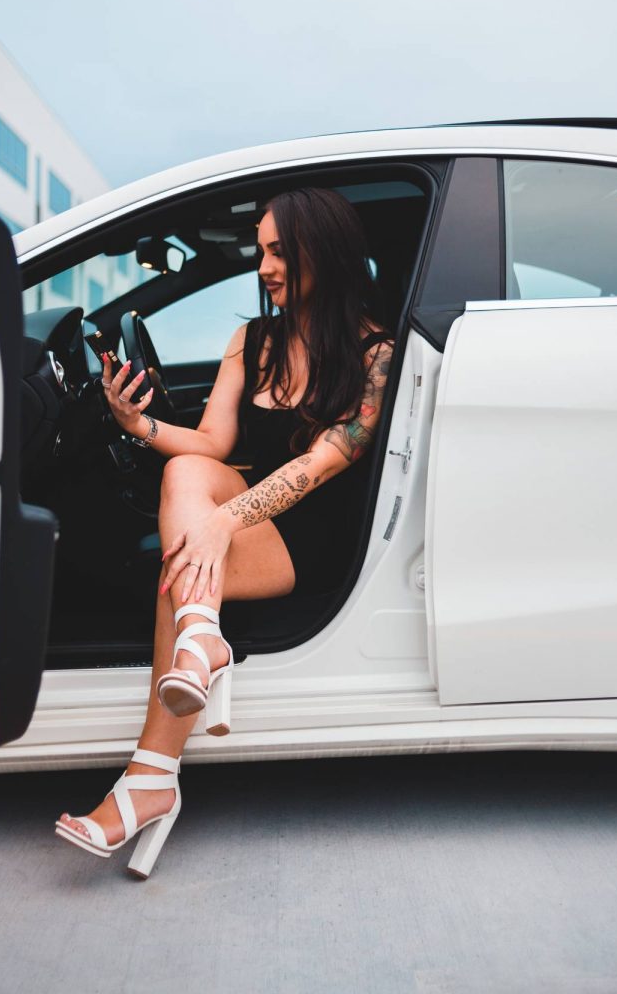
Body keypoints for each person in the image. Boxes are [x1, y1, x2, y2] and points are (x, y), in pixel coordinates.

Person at [55, 187, 395, 876]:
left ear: (324, 253)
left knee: (181, 564)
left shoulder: (377, 354)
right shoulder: (253, 342)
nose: (264, 267)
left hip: (312, 544)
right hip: (247, 520)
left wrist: (220, 523)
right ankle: (199, 642)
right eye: (261, 251)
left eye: (279, 251)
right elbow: (213, 442)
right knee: (185, 476)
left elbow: (324, 462)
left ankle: (152, 777)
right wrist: (138, 424)